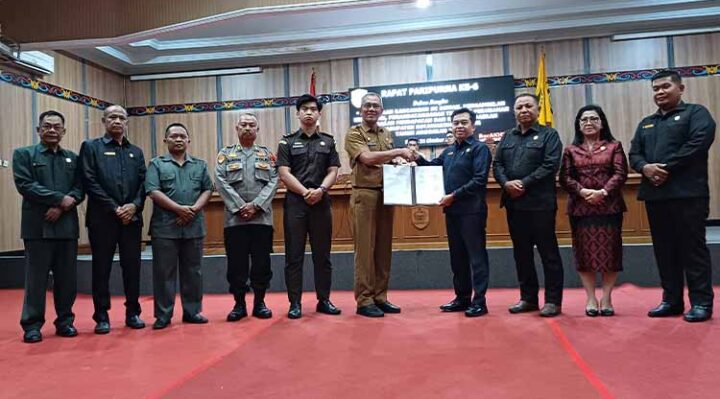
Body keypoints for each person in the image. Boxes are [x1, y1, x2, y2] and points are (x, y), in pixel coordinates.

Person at [629, 70, 716, 323]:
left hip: (688, 195)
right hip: (656, 196)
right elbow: (634, 154)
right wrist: (645, 168)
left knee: (693, 250)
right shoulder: (647, 122)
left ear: (681, 88)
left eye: (665, 86)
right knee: (664, 251)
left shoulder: (696, 113)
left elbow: (698, 144)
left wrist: (664, 168)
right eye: (655, 88)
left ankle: (701, 303)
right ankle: (671, 300)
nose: (660, 92)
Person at [13, 110, 84, 343]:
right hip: (37, 228)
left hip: (66, 227)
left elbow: (80, 188)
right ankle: (32, 326)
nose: (52, 130)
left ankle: (65, 322)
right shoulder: (23, 155)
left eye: (56, 127)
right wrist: (58, 199)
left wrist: (63, 206)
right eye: (47, 126)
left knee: (67, 279)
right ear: (38, 130)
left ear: (64, 131)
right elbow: (25, 185)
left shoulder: (73, 158)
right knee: (36, 279)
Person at [344, 92, 416, 317]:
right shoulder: (354, 133)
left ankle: (380, 296)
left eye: (376, 106)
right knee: (365, 250)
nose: (371, 109)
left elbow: (386, 160)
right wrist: (397, 152)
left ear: (381, 110)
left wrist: (398, 160)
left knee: (384, 249)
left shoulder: (386, 133)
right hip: (364, 195)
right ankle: (364, 300)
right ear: (361, 110)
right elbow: (366, 158)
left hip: (387, 193)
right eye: (367, 106)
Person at [492, 93, 564, 317]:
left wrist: (523, 183)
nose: (523, 110)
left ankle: (552, 301)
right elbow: (497, 164)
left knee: (548, 254)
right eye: (519, 107)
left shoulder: (549, 135)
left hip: (540, 204)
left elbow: (550, 165)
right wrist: (506, 183)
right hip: (514, 205)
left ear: (538, 109)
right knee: (521, 254)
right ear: (514, 111)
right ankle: (528, 298)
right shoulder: (506, 136)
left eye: (528, 106)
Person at [416, 108, 492, 317]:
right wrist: (416, 158)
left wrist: (454, 195)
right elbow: (431, 168)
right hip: (452, 212)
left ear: (473, 126)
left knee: (476, 257)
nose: (459, 126)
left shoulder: (479, 149)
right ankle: (462, 298)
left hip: (472, 212)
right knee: (457, 258)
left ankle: (479, 301)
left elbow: (479, 180)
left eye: (464, 122)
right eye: (455, 123)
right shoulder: (449, 151)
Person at [79, 105, 146, 334]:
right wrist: (115, 208)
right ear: (104, 121)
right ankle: (101, 316)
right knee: (101, 268)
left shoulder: (135, 152)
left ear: (126, 122)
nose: (117, 121)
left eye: (121, 118)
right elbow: (89, 181)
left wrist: (134, 206)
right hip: (102, 220)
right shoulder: (91, 147)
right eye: (112, 117)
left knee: (132, 268)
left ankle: (133, 313)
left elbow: (143, 184)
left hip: (131, 220)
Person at [559, 105, 628, 317]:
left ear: (602, 122)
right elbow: (565, 177)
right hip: (581, 209)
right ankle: (590, 298)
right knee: (584, 254)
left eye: (593, 118)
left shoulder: (614, 146)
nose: (588, 122)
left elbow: (620, 173)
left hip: (609, 207)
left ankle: (606, 298)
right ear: (578, 125)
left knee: (611, 253)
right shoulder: (571, 150)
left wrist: (603, 192)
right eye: (584, 119)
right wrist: (582, 191)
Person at [277, 94, 341, 319]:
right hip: (296, 203)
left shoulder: (328, 140)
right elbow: (284, 173)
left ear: (319, 113)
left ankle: (324, 300)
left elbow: (333, 170)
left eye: (313, 109)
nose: (308, 112)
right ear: (297, 113)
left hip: (321, 203)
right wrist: (305, 192)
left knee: (322, 256)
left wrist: (321, 190)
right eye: (304, 109)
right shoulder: (286, 141)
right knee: (294, 256)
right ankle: (295, 303)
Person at [145, 123, 213, 329]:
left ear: (188, 140)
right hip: (165, 228)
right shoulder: (156, 164)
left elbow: (207, 189)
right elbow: (153, 191)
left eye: (182, 136)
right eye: (173, 136)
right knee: (163, 273)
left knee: (193, 272)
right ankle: (163, 315)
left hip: (193, 227)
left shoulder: (199, 165)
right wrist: (179, 210)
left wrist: (192, 210)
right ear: (165, 140)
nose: (178, 139)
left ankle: (192, 312)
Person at [216, 113, 279, 321]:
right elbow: (220, 181)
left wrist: (256, 205)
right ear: (236, 128)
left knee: (262, 263)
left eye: (252, 125)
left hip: (261, 220)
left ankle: (259, 302)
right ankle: (239, 304)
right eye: (243, 125)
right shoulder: (225, 154)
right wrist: (241, 206)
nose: (247, 128)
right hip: (235, 221)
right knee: (236, 264)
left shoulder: (267, 155)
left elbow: (274, 181)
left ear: (257, 130)